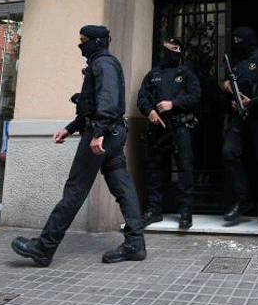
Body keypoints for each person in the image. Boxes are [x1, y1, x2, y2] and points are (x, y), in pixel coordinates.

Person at [11, 25, 146, 266]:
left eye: (84, 40)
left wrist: (99, 133)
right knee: (122, 186)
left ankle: (44, 248)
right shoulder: (103, 63)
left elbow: (106, 99)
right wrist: (70, 128)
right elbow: (92, 105)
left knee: (75, 190)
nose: (80, 45)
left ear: (97, 41)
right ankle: (135, 244)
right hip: (112, 132)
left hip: (102, 133)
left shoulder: (102, 64)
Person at [137, 37, 201, 230]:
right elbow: (142, 97)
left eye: (176, 48)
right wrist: (150, 111)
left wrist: (173, 104)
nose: (172, 51)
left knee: (185, 169)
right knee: (155, 169)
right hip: (158, 127)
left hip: (180, 126)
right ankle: (154, 210)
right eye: (169, 48)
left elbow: (195, 96)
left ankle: (185, 212)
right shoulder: (153, 74)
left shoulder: (187, 74)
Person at [221, 27, 258, 224]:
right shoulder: (236, 62)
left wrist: (252, 101)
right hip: (239, 117)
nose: (237, 42)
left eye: (240, 38)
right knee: (229, 152)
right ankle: (243, 199)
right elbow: (233, 87)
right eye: (234, 38)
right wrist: (228, 87)